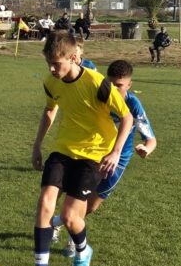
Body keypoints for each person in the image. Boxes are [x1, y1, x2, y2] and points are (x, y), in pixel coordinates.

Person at [29, 31, 133, 266]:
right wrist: (37, 145)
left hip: (94, 155)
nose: (52, 69)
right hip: (63, 149)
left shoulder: (97, 83)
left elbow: (127, 118)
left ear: (74, 57)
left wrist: (115, 152)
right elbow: (50, 110)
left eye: (57, 63)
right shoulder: (51, 81)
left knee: (71, 217)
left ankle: (83, 252)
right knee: (45, 204)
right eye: (48, 63)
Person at [49, 59, 156, 255]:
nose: (114, 89)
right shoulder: (99, 95)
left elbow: (151, 139)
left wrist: (145, 149)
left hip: (116, 163)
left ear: (129, 84)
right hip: (89, 155)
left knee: (90, 206)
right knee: (71, 196)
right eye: (111, 84)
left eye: (120, 86)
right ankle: (73, 240)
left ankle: (57, 223)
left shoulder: (132, 104)